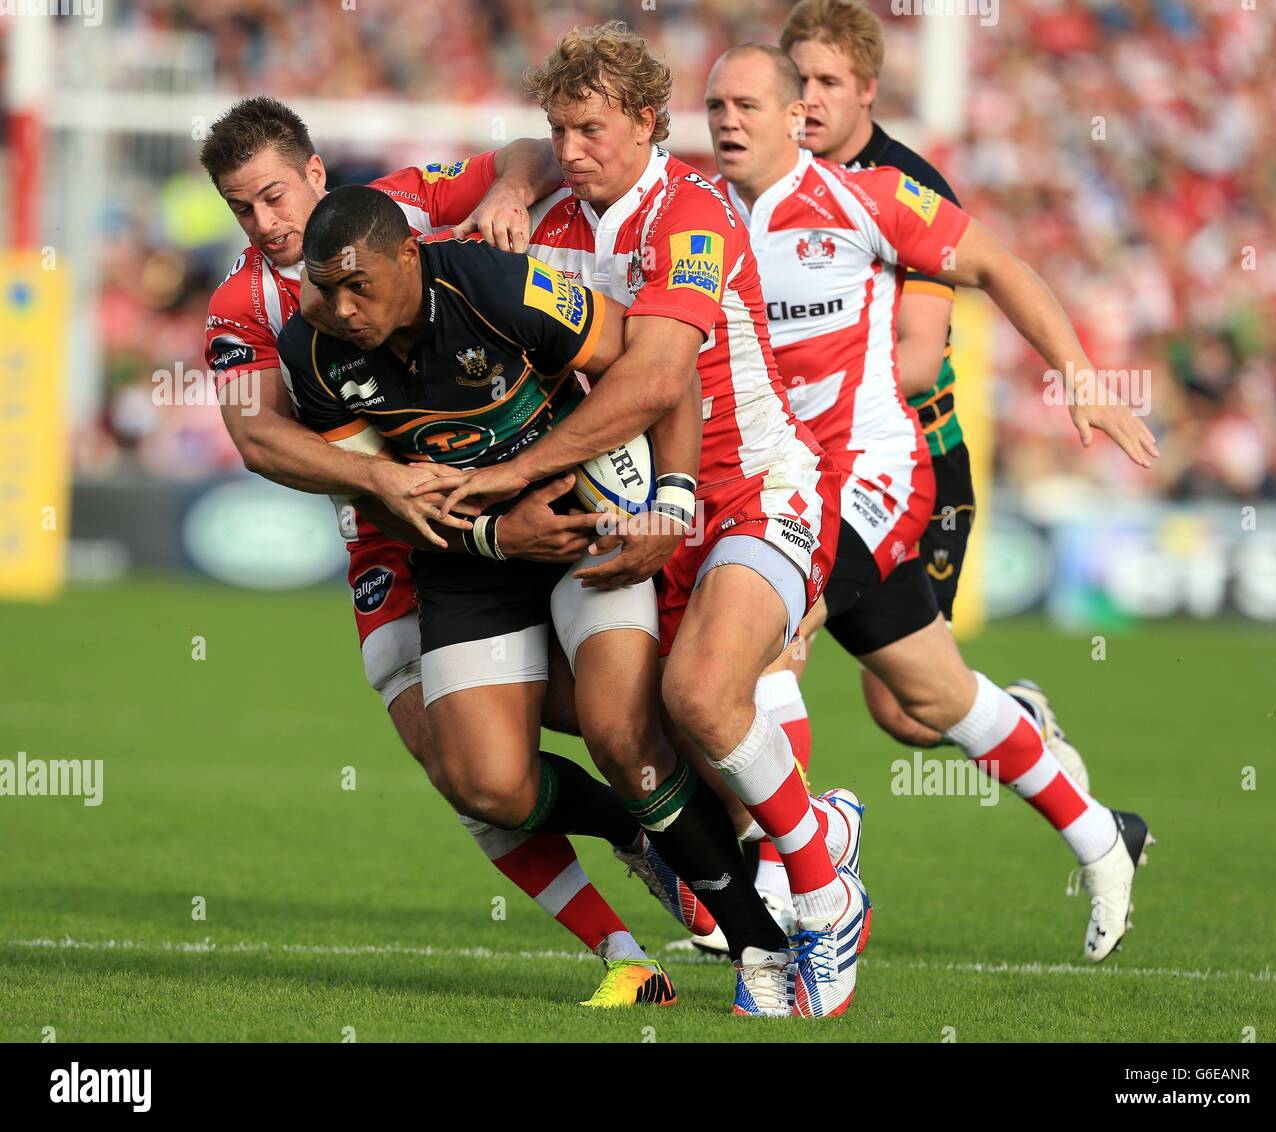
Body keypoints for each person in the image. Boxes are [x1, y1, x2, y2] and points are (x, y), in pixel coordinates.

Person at [201, 97, 699, 1005]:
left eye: (274, 196)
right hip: (387, 538)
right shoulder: (241, 302)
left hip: (530, 485)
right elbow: (260, 440)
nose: (265, 224)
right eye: (242, 208)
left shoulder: (405, 209)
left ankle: (729, 840)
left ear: (317, 174)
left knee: (613, 711)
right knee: (461, 768)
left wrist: (510, 188)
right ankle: (627, 946)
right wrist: (384, 483)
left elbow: (525, 153)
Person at [281, 184, 818, 1014]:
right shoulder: (311, 352)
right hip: (472, 556)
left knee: (621, 731)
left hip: (580, 523)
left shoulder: (501, 285)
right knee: (486, 784)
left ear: (408, 258)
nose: (343, 308)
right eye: (327, 288)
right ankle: (639, 833)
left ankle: (758, 940)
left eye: (361, 287)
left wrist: (672, 497)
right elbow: (381, 499)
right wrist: (496, 538)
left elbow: (658, 375)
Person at [427, 21, 868, 1019]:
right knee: (584, 718)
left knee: (705, 695)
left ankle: (824, 891)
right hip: (635, 514)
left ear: (645, 122)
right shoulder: (557, 222)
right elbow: (523, 177)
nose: (571, 150)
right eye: (558, 132)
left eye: (589, 130)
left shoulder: (694, 212)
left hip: (756, 491)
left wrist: (517, 478)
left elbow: (660, 376)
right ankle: (796, 837)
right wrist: (509, 184)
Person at [700, 42, 1156, 964]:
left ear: (796, 119)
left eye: (749, 104)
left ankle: (799, 875)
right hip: (778, 488)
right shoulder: (700, 220)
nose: (727, 121)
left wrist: (1081, 377)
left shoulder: (870, 200)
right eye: (715, 106)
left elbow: (999, 266)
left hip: (872, 478)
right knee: (931, 697)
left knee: (764, 642)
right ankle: (1102, 840)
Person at [777, 0, 1088, 780]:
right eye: (798, 79)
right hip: (800, 464)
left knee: (906, 712)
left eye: (828, 81)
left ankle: (1020, 719)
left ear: (868, 89)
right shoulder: (764, 178)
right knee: (768, 648)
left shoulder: (907, 186)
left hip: (911, 465)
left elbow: (918, 359)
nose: (809, 97)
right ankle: (783, 867)